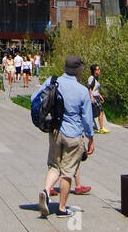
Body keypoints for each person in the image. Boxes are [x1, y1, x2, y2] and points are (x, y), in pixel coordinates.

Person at [38, 55, 95, 216]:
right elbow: (87, 118)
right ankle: (62, 208)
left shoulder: (53, 81)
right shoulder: (83, 91)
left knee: (54, 166)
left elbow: (37, 97)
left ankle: (46, 192)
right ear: (78, 71)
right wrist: (90, 138)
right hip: (74, 134)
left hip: (56, 131)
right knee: (68, 172)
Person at [88, 63, 109, 133]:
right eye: (98, 69)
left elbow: (96, 89)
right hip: (93, 97)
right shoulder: (91, 78)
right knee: (99, 112)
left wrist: (100, 96)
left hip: (97, 96)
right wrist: (91, 98)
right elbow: (90, 89)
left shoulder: (96, 78)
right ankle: (101, 128)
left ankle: (96, 127)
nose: (99, 70)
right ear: (94, 71)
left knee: (98, 112)